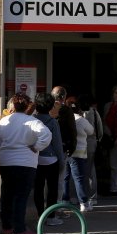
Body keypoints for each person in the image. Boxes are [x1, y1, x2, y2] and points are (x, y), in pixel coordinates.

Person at [0, 93, 51, 234]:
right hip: (26, 162)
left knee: (6, 194)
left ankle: (6, 225)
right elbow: (47, 135)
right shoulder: (32, 121)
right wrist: (37, 146)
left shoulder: (4, 120)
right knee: (20, 196)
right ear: (27, 106)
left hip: (6, 161)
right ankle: (19, 229)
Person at [32, 93, 65, 226]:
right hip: (51, 160)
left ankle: (41, 215)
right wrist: (61, 161)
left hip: (35, 159)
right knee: (52, 189)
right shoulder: (53, 122)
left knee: (38, 189)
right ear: (51, 106)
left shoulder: (31, 120)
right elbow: (57, 145)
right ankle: (51, 217)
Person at [61, 97, 95, 212]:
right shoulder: (81, 120)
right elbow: (91, 131)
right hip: (79, 153)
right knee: (79, 178)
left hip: (66, 152)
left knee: (65, 178)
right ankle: (84, 203)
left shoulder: (63, 119)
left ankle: (65, 200)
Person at [79, 94, 102, 206]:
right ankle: (92, 197)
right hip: (91, 145)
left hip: (78, 145)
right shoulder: (94, 112)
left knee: (77, 170)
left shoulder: (77, 113)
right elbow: (100, 130)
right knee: (91, 171)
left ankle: (79, 196)